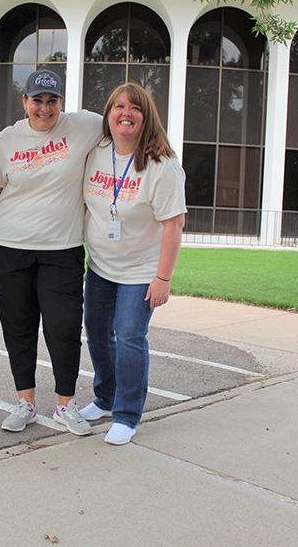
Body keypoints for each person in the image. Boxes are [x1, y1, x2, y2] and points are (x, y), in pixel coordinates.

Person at [0, 69, 104, 435]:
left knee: (64, 327)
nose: (45, 108)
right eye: (37, 100)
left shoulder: (84, 125)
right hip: (9, 247)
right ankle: (26, 403)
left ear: (61, 102)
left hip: (62, 248)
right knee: (18, 327)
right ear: (25, 102)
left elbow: (125, 123)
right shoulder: (7, 139)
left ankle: (66, 405)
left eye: (52, 101)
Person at [79, 83, 186, 445]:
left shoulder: (161, 166)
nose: (126, 113)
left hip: (141, 272)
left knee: (128, 336)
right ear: (107, 114)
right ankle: (105, 397)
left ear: (146, 117)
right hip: (100, 266)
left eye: (135, 107)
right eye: (118, 106)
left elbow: (174, 224)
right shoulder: (97, 151)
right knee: (96, 333)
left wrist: (163, 278)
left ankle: (126, 414)